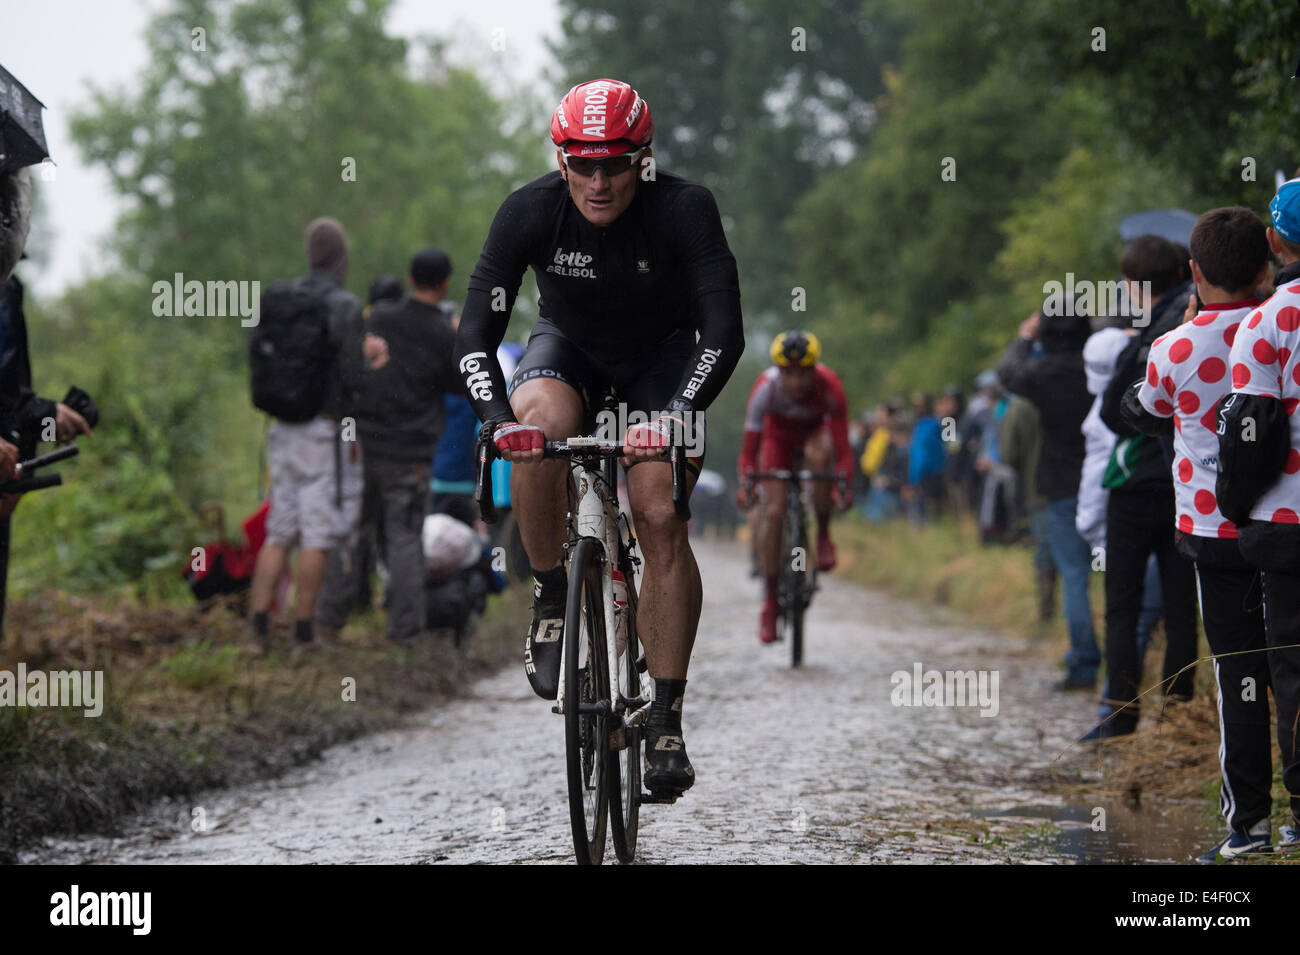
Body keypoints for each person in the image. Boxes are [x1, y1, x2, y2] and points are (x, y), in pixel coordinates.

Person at [452, 79, 744, 799]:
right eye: (582, 164)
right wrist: (495, 422)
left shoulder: (685, 208)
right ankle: (553, 593)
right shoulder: (528, 211)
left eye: (615, 164)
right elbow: (473, 336)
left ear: (643, 159)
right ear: (561, 160)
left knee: (657, 511)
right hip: (570, 354)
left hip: (663, 365)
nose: (598, 180)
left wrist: (678, 412)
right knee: (536, 429)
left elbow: (724, 331)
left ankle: (667, 717)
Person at [1121, 206, 1272, 860]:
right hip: (1288, 526)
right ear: (1268, 263)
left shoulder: (1176, 346)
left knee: (1237, 673)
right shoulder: (1284, 325)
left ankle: (1250, 827)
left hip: (1213, 530)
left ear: (1193, 274)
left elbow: (1141, 410)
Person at [1214, 180, 1300, 856]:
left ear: (1275, 242)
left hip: (1284, 524)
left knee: (1290, 669)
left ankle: (1295, 811)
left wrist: (1238, 508)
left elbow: (1251, 428)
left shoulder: (1266, 322)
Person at [317, 248, 463, 644]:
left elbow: (350, 365)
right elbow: (458, 386)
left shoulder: (378, 317)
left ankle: (328, 624)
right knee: (403, 540)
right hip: (411, 454)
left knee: (349, 532)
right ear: (446, 282)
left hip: (362, 444)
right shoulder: (444, 334)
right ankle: (404, 634)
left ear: (411, 279)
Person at [246, 217, 366, 647]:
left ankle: (258, 625)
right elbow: (354, 375)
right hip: (323, 430)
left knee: (280, 528)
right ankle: (303, 630)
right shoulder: (344, 305)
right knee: (317, 534)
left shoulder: (281, 297)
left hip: (281, 428)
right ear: (341, 257)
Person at [1098, 235, 1200, 734]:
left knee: (1122, 607)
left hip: (1136, 484)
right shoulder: (1197, 315)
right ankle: (1178, 723)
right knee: (1182, 609)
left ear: (1132, 286)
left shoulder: (1151, 337)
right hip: (1186, 487)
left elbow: (1113, 411)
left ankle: (1120, 717)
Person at [997, 298, 1098, 690]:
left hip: (1060, 485)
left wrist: (1024, 337)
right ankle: (1136, 660)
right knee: (1126, 575)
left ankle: (1084, 662)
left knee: (1074, 576)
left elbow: (1008, 374)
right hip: (1106, 481)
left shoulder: (1041, 376)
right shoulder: (1100, 368)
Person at [736, 331, 854, 644]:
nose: (796, 381)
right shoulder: (765, 389)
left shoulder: (830, 388)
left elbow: (842, 451)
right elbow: (749, 452)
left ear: (815, 369)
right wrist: (746, 484)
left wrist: (843, 485)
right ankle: (771, 601)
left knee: (819, 457)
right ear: (778, 370)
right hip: (778, 440)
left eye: (803, 373)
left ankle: (824, 535)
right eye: (788, 373)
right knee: (773, 512)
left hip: (814, 436)